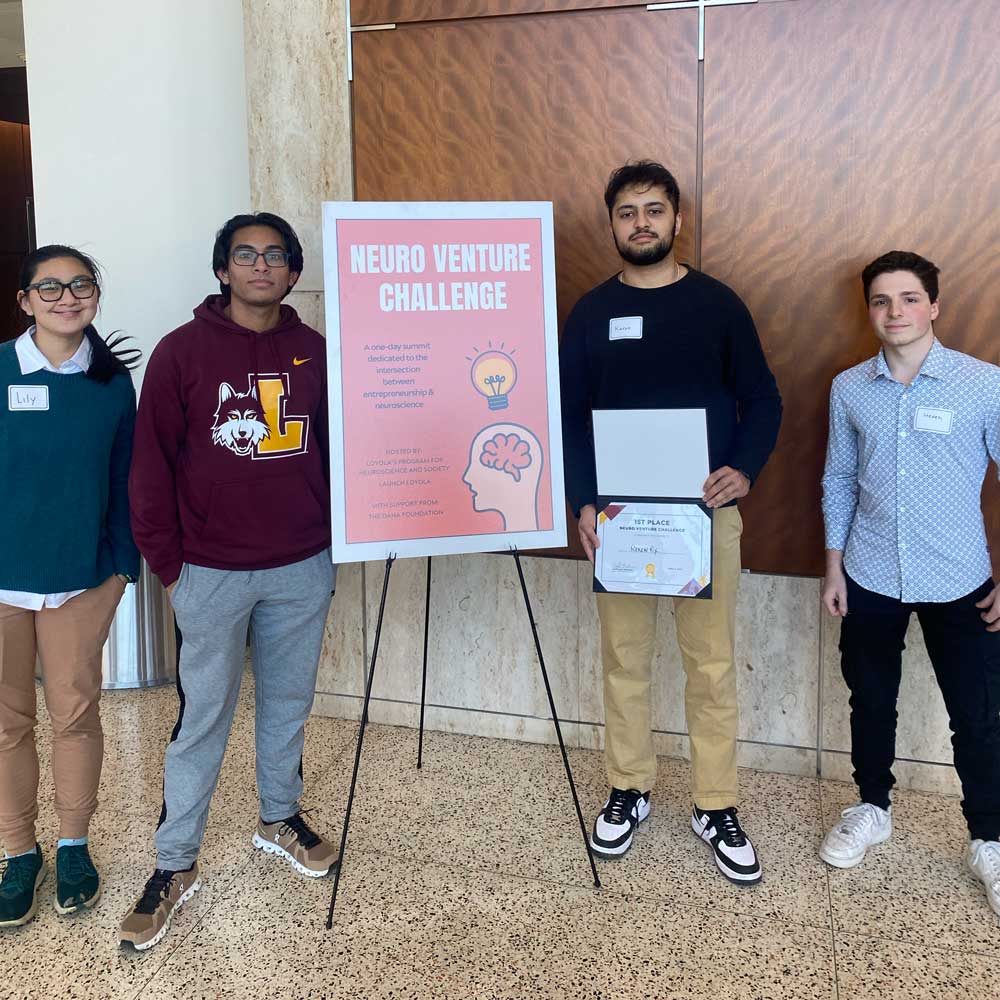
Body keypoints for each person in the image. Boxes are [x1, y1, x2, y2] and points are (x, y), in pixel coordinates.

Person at [559, 161, 782, 885]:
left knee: (710, 668)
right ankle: (630, 786)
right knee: (625, 662)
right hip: (619, 521)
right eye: (627, 213)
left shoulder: (718, 305)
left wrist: (744, 469)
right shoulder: (590, 314)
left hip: (704, 518)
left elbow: (764, 398)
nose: (642, 223)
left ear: (677, 220)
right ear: (613, 224)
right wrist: (583, 503)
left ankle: (715, 804)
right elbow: (569, 420)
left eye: (654, 210)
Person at [120, 213, 337, 951]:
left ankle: (279, 817)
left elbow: (346, 454)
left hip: (301, 565)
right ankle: (174, 865)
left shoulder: (315, 352)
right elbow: (149, 469)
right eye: (245, 255)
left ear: (292, 269)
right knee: (202, 718)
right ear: (222, 270)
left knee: (288, 704)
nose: (261, 266)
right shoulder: (181, 354)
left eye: (276, 255)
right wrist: (171, 570)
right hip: (209, 573)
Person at [819, 250, 1000, 917]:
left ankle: (990, 839)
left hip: (960, 581)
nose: (895, 312)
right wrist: (834, 564)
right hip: (868, 574)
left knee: (979, 717)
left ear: (934, 306)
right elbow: (838, 478)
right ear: (869, 310)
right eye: (881, 301)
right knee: (871, 700)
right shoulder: (850, 388)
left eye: (908, 299)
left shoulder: (984, 385)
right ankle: (871, 808)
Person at [0, 245, 140, 927]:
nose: (66, 296)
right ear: (25, 300)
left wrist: (121, 569)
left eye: (80, 284)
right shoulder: (0, 370)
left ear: (95, 295)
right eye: (48, 287)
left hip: (83, 583)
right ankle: (18, 852)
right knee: (7, 724)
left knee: (76, 714)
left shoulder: (111, 384)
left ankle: (73, 844)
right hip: (2, 585)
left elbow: (124, 480)